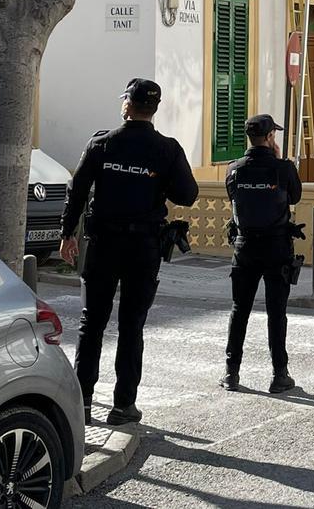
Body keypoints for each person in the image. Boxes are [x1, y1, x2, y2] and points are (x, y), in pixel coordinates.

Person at [60, 79, 199, 426]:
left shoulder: (102, 144)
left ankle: (84, 403)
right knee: (131, 326)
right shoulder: (166, 149)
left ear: (127, 105)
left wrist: (67, 235)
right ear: (154, 109)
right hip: (143, 247)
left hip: (103, 245)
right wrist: (156, 180)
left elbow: (76, 191)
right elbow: (188, 194)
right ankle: (123, 406)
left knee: (91, 323)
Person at [220, 114, 304, 394]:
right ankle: (279, 374)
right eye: (274, 136)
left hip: (244, 248)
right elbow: (295, 197)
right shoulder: (283, 169)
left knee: (239, 310)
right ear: (270, 138)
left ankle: (231, 373)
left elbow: (234, 198)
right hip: (276, 247)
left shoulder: (233, 169)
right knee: (276, 312)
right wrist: (279, 161)